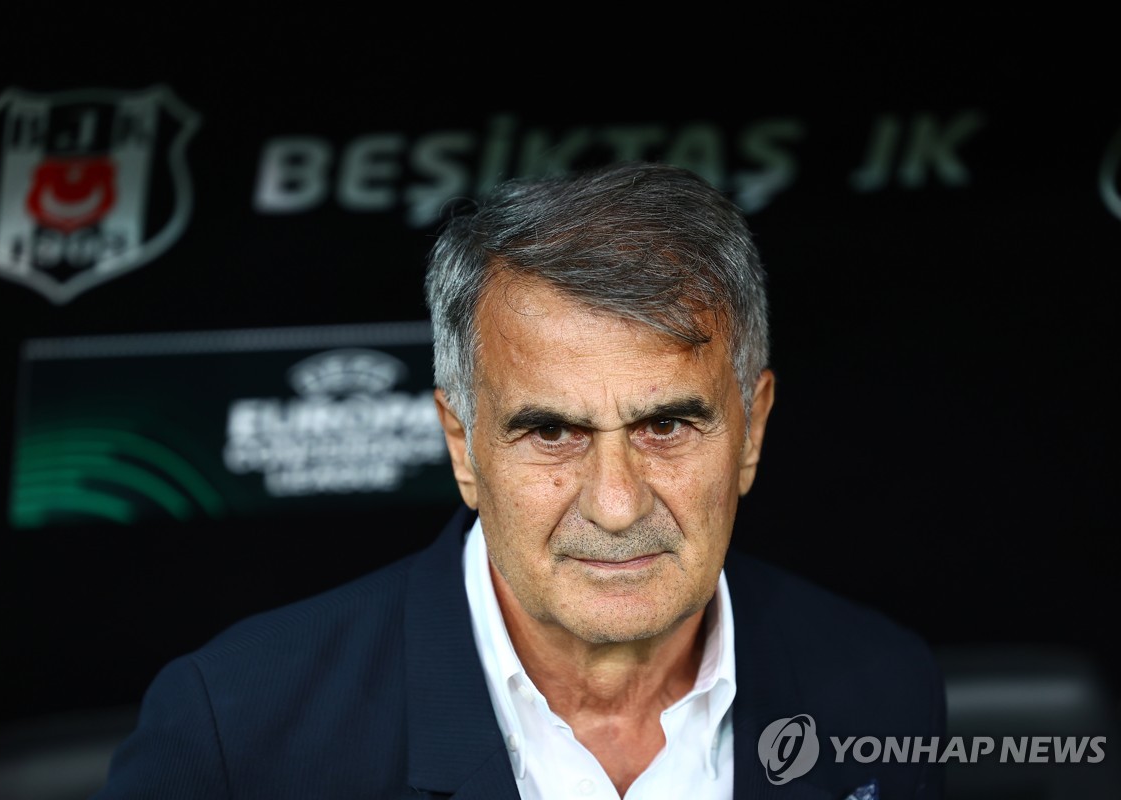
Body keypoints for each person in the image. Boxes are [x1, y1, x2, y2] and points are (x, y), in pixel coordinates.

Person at [93, 162, 945, 799]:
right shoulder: (237, 735)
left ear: (752, 429)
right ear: (463, 446)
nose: (616, 506)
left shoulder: (883, 685)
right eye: (551, 432)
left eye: (666, 425)